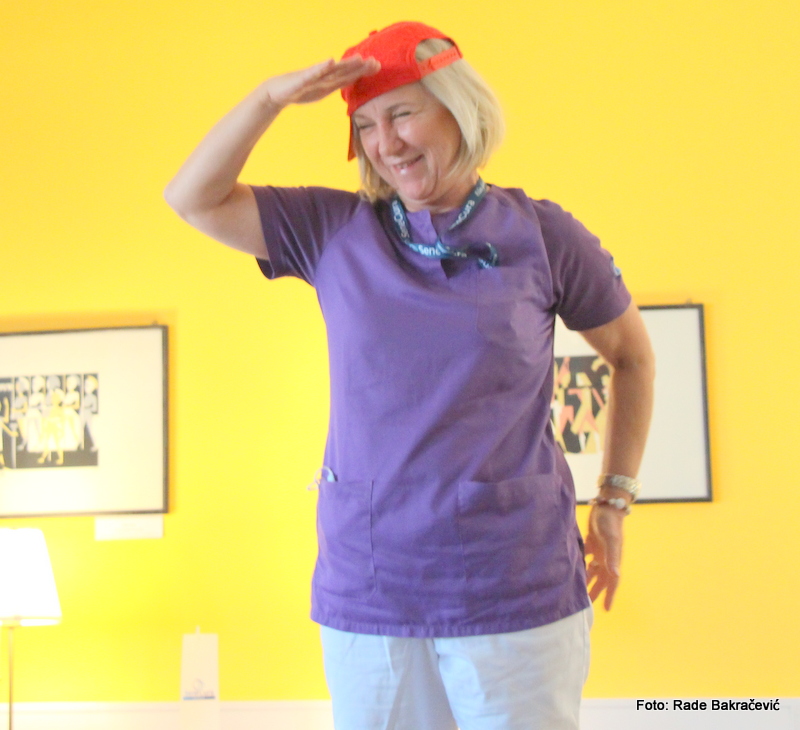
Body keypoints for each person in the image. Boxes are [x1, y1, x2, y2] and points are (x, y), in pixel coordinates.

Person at [165, 21, 655, 730]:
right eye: (365, 125)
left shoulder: (544, 236)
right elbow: (193, 197)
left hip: (514, 587)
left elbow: (634, 356)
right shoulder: (331, 230)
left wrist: (614, 499)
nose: (385, 143)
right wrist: (270, 99)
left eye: (401, 113)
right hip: (372, 593)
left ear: (460, 110)